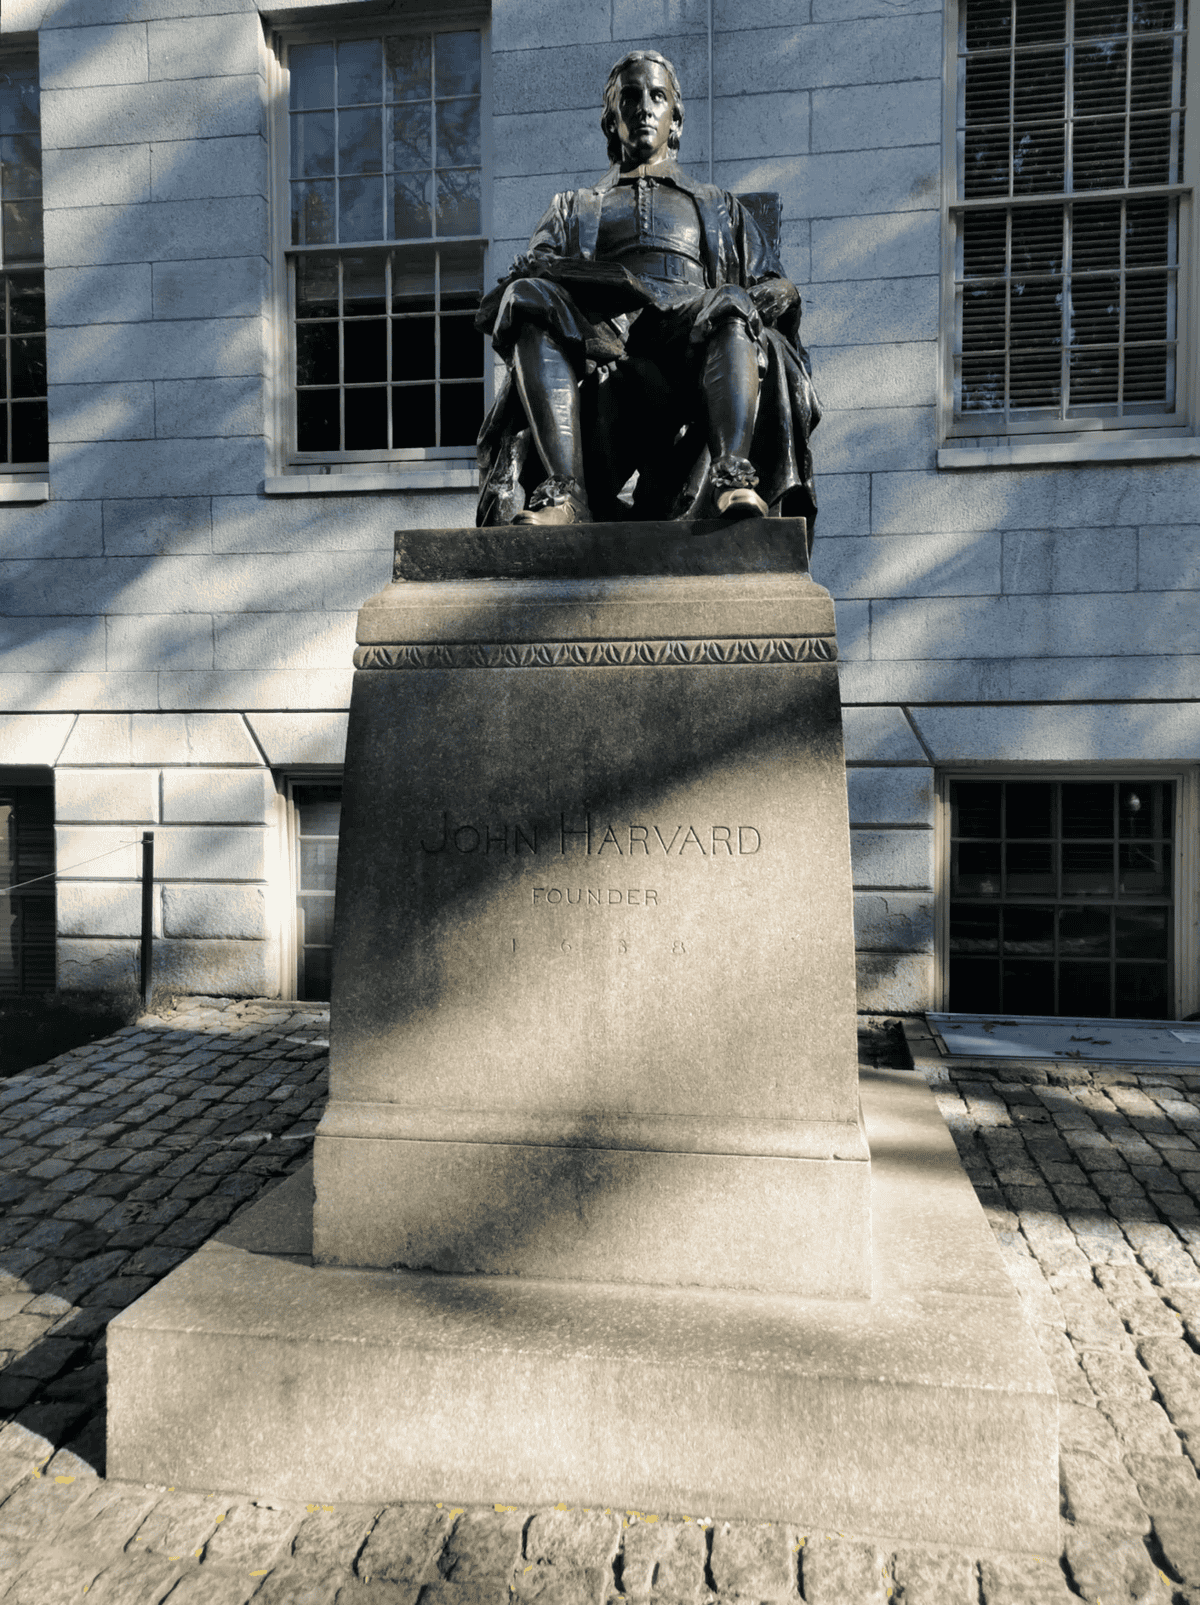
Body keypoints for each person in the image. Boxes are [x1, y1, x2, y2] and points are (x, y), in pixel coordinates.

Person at [475, 50, 820, 530]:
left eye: (657, 96)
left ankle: (731, 476)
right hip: (602, 328)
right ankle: (565, 493)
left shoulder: (719, 206)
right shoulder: (572, 207)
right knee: (528, 297)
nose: (644, 107)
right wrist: (528, 278)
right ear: (611, 120)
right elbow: (525, 281)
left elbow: (768, 279)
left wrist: (785, 292)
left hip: (688, 323)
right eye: (630, 97)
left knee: (732, 301)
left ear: (674, 119)